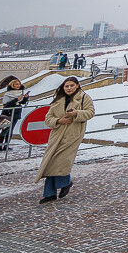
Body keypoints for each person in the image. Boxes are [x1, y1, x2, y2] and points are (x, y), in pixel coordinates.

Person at [35, 76, 94, 204]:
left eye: (71, 85)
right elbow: (48, 119)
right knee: (51, 162)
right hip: (57, 135)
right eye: (66, 86)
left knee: (62, 161)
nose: (69, 88)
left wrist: (76, 113)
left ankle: (65, 182)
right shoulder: (58, 99)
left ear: (77, 85)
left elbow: (90, 112)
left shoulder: (84, 98)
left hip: (73, 134)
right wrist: (58, 121)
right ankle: (50, 193)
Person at [0, 76, 29, 152]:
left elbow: (22, 103)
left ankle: (6, 146)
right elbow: (7, 104)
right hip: (8, 114)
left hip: (16, 114)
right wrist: (17, 99)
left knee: (10, 130)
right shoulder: (8, 94)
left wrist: (25, 98)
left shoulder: (20, 93)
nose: (18, 86)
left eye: (19, 84)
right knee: (5, 130)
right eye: (16, 84)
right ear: (12, 85)